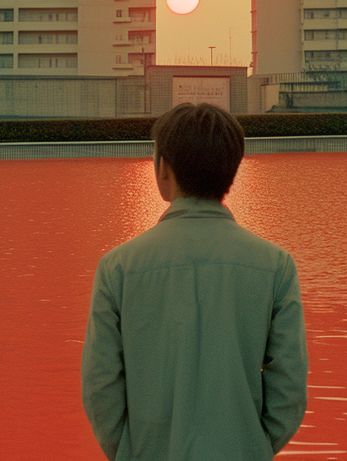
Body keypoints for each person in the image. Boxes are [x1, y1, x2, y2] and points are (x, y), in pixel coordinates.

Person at [81, 102, 308, 460]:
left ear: (163, 168)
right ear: (231, 170)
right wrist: (254, 447)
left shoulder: (118, 268)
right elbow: (289, 390)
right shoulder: (275, 266)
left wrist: (131, 451)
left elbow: (101, 387)